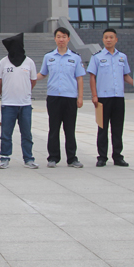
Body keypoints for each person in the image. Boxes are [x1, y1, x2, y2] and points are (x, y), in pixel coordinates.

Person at [38, 27, 86, 168]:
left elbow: (80, 78)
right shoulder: (49, 57)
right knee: (53, 128)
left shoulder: (75, 58)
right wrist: (28, 77)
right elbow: (42, 74)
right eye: (58, 37)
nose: (61, 39)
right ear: (55, 39)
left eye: (64, 37)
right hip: (53, 97)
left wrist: (80, 97)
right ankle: (53, 157)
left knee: (70, 129)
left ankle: (72, 158)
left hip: (70, 98)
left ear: (68, 39)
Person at [87, 28, 133, 167]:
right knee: (102, 128)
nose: (108, 40)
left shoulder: (122, 57)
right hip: (103, 98)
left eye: (111, 37)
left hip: (118, 97)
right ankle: (102, 157)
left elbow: (125, 76)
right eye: (106, 37)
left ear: (116, 39)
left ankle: (118, 156)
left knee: (117, 129)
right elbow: (92, 77)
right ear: (103, 40)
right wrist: (94, 95)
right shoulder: (97, 57)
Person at [0, 33, 39, 169]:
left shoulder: (29, 62)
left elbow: (33, 80)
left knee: (26, 134)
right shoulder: (3, 62)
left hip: (25, 105)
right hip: (8, 104)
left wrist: (25, 91)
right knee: (6, 134)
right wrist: (4, 93)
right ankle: (4, 158)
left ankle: (29, 158)